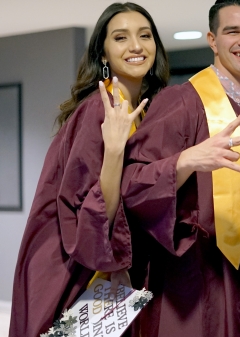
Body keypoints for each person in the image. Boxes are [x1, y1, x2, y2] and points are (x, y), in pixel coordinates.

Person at [115, 0, 240, 335]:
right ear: (212, 39)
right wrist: (185, 160)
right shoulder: (181, 102)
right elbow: (131, 185)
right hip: (193, 287)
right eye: (232, 31)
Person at [9, 2, 169, 336]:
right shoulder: (99, 108)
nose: (137, 46)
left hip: (110, 261)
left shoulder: (142, 111)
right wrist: (113, 150)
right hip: (73, 267)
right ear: (104, 54)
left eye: (145, 35)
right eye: (121, 38)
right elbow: (87, 212)